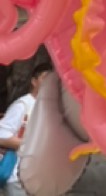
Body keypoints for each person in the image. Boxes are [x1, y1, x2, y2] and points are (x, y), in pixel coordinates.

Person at [0, 63, 51, 195]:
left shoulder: (50, 109)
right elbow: (2, 135)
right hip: (18, 176)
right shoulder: (23, 105)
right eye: (45, 78)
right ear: (34, 81)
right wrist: (31, 144)